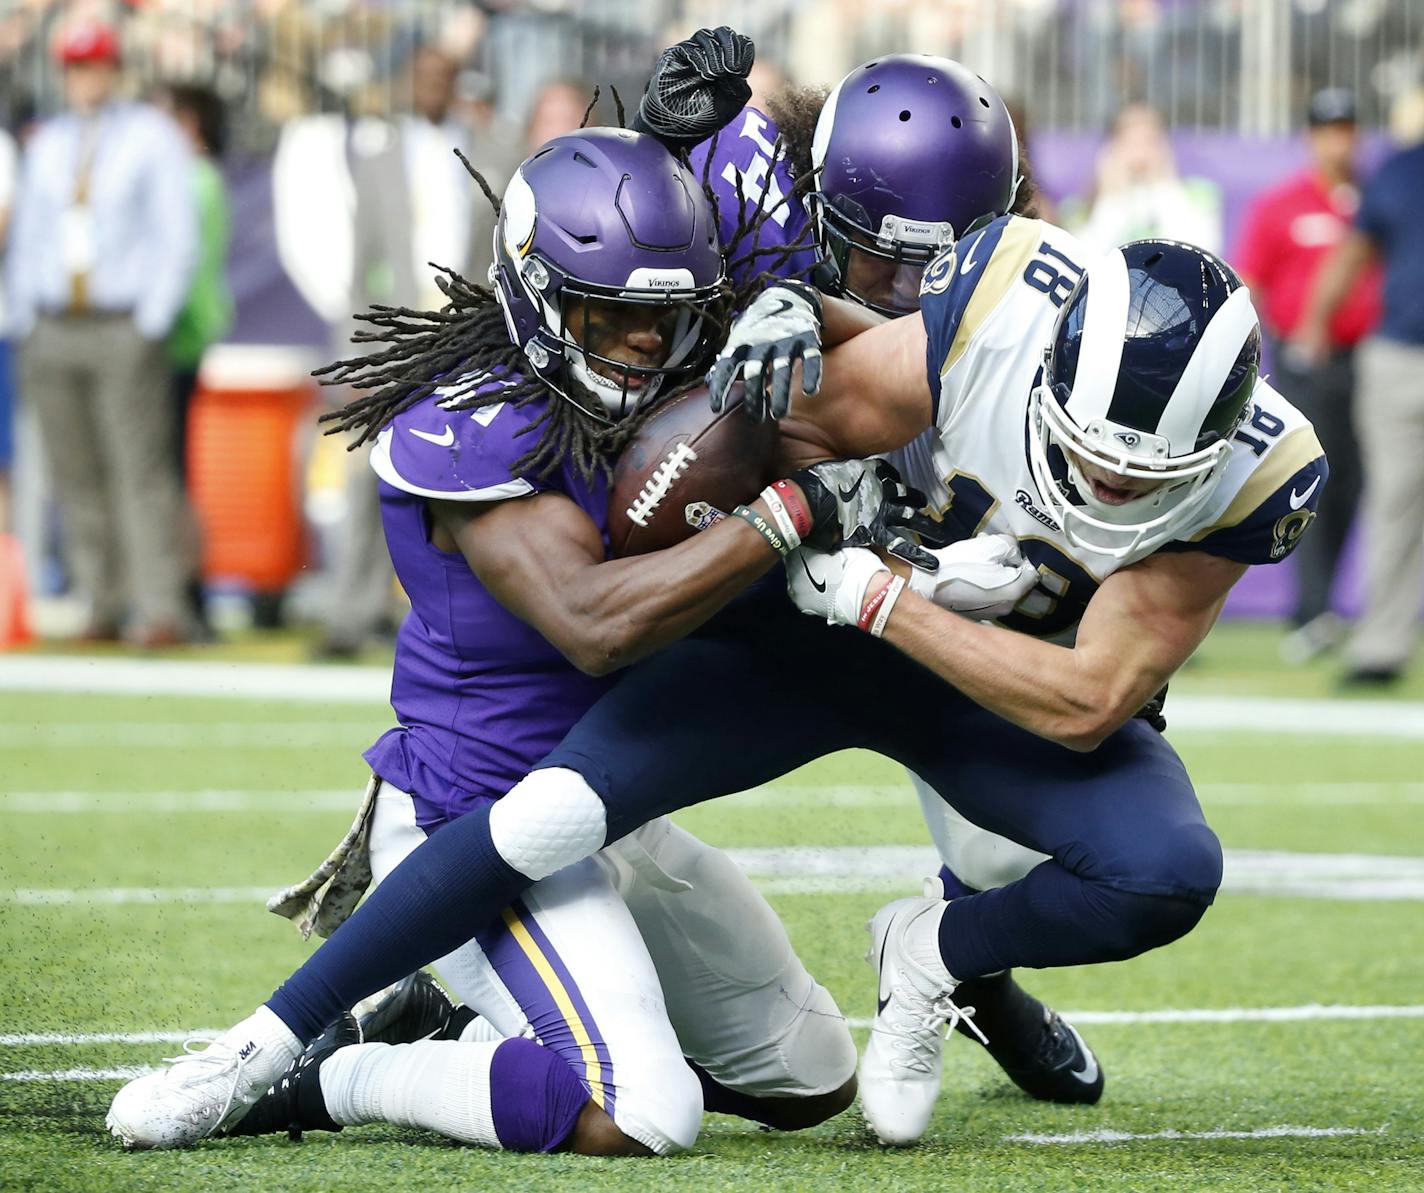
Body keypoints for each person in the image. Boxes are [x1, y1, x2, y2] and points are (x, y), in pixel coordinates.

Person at [108, 29, 939, 1157]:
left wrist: (795, 296)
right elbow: (596, 626)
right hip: (479, 822)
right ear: (543, 297)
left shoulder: (673, 335)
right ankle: (340, 1071)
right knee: (646, 1113)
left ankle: (457, 1010)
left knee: (807, 1076)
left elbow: (857, 367)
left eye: (669, 316)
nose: (648, 346)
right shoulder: (474, 415)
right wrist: (793, 513)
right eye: (610, 316)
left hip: (611, 812)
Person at [316, 45, 518, 660]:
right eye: (422, 76)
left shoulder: (491, 150)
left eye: (442, 77)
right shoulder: (379, 158)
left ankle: (466, 621)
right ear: (407, 84)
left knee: (468, 473)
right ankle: (351, 612)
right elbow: (360, 262)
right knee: (366, 478)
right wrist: (353, 353)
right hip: (400, 336)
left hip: (465, 333)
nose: (432, 87)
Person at [6, 19, 197, 646]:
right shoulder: (51, 143)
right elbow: (32, 235)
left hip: (120, 322)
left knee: (138, 468)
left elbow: (176, 233)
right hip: (56, 321)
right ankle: (102, 600)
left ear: (115, 69)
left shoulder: (150, 138)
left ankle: (160, 605)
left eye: (96, 65)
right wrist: (28, 310)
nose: (87, 78)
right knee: (76, 470)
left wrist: (151, 318)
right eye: (76, 67)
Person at [1234, 88, 1378, 663]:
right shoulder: (1283, 203)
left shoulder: (1371, 199)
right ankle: (1313, 609)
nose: (1337, 140)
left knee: (1355, 482)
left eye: (1346, 128)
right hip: (1304, 357)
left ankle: (1321, 606)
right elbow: (1254, 277)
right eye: (1327, 129)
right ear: (1312, 137)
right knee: (1313, 476)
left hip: (1367, 357)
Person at [1295, 113, 1424, 687]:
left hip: (1394, 353)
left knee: (1392, 502)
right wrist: (1316, 322)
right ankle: (1380, 648)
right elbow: (1354, 251)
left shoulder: (1396, 168)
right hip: (1397, 354)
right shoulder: (1398, 169)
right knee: (1393, 502)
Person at [161, 83, 234, 638]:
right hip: (186, 336)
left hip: (175, 341)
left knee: (167, 474)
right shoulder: (199, 178)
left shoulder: (193, 179)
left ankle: (187, 591)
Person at [1067, 103, 1222, 254]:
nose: (1141, 153)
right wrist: (1112, 197)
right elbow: (1086, 259)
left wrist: (1165, 185)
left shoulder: (1200, 194)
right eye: (1129, 143)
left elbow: (1201, 253)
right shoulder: (1078, 207)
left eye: (1150, 143)